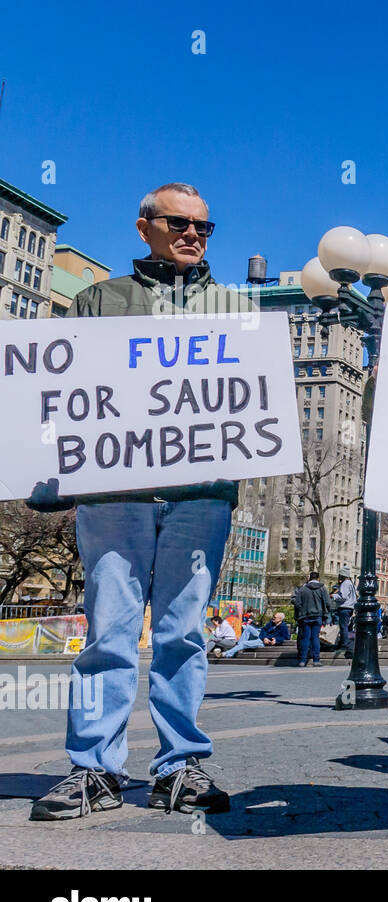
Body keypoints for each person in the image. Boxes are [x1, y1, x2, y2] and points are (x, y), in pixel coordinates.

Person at [27, 182, 247, 820]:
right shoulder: (98, 303)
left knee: (183, 634)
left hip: (200, 492)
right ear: (143, 227)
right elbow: (57, 387)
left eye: (204, 228)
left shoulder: (235, 307)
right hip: (114, 490)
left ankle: (180, 766)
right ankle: (95, 768)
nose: (192, 235)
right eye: (177, 223)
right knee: (109, 634)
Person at [291, 571, 331, 667]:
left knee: (306, 638)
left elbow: (297, 603)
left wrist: (301, 611)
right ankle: (316, 660)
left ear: (309, 578)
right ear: (318, 579)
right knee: (315, 638)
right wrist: (326, 613)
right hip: (318, 616)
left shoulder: (303, 589)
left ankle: (303, 660)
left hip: (305, 617)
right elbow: (328, 603)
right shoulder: (322, 588)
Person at [334, 566, 358, 655]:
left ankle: (344, 645)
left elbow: (343, 596)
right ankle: (344, 644)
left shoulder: (345, 583)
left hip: (344, 607)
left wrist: (334, 596)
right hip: (350, 607)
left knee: (343, 626)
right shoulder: (350, 583)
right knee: (346, 626)